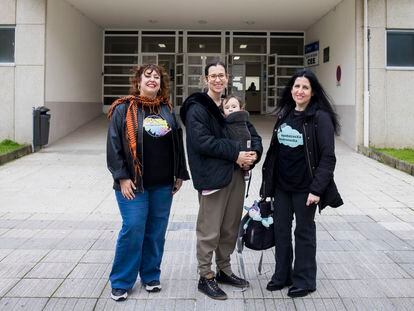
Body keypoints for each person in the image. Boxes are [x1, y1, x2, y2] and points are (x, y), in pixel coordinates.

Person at [180, 60, 263, 300]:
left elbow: (252, 134)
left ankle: (224, 270)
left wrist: (253, 154)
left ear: (227, 78)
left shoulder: (230, 106)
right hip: (212, 177)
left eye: (221, 75)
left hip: (236, 175)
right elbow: (201, 142)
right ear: (206, 79)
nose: (218, 79)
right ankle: (206, 276)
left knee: (229, 228)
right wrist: (236, 153)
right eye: (213, 75)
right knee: (210, 230)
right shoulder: (198, 108)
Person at [106, 64, 189, 301]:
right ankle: (121, 281)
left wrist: (180, 174)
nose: (153, 79)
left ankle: (151, 275)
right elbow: (114, 146)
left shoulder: (167, 110)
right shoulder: (123, 109)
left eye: (157, 77)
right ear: (138, 82)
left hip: (163, 184)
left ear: (161, 84)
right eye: (148, 76)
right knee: (133, 228)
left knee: (156, 231)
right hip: (133, 184)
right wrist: (121, 177)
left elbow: (177, 142)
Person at [260, 68, 343, 298]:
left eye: (305, 87)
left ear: (313, 92)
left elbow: (328, 157)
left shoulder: (319, 118)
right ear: (291, 89)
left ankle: (305, 280)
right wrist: (268, 184)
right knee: (281, 231)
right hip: (282, 186)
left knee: (304, 232)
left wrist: (317, 189)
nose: (300, 91)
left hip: (306, 188)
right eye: (296, 86)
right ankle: (282, 275)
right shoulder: (285, 113)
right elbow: (274, 152)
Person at [221, 95, 253, 182]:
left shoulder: (239, 116)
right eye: (227, 107)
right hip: (240, 143)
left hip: (242, 140)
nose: (230, 109)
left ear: (241, 108)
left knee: (245, 154)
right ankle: (246, 169)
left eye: (234, 107)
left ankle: (246, 169)